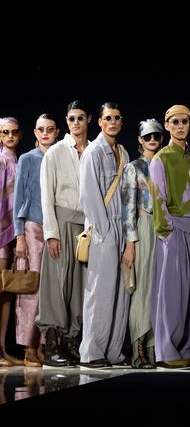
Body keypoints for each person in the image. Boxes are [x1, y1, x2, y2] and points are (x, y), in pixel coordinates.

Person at [150, 105, 190, 369]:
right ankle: (166, 351)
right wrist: (166, 233)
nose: (180, 126)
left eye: (184, 121)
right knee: (172, 293)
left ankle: (185, 348)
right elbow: (158, 198)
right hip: (173, 231)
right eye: (175, 122)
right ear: (167, 125)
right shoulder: (161, 158)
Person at [37, 100, 92, 367]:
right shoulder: (56, 152)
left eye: (80, 118)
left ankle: (71, 342)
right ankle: (52, 346)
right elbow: (46, 195)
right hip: (61, 223)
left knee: (80, 287)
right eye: (71, 119)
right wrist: (51, 233)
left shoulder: (93, 150)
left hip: (86, 226)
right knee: (56, 285)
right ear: (67, 122)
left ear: (88, 120)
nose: (76, 123)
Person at [78, 102, 131, 369]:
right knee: (99, 291)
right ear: (99, 121)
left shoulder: (123, 152)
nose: (112, 122)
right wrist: (103, 230)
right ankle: (91, 352)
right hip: (104, 229)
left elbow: (129, 193)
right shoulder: (93, 151)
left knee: (121, 292)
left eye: (117, 118)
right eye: (108, 118)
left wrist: (128, 234)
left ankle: (113, 350)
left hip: (122, 227)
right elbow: (88, 193)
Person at [12, 114, 59, 367]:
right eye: (41, 129)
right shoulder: (28, 159)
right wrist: (19, 235)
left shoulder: (61, 157)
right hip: (33, 227)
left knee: (52, 290)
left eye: (50, 129)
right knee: (32, 287)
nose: (45, 133)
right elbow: (18, 197)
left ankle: (43, 345)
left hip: (56, 228)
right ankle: (28, 346)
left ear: (57, 132)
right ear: (34, 132)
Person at [122, 118, 163, 369]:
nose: (152, 140)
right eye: (148, 136)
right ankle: (138, 348)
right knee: (142, 290)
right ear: (140, 140)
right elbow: (127, 208)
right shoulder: (134, 167)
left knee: (159, 290)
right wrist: (131, 243)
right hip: (144, 226)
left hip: (165, 228)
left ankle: (153, 347)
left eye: (156, 136)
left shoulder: (164, 164)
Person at [0, 117, 22, 367]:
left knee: (7, 293)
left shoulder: (17, 160)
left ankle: (3, 348)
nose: (10, 136)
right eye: (5, 132)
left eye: (14, 132)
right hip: (2, 234)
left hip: (13, 233)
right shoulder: (2, 160)